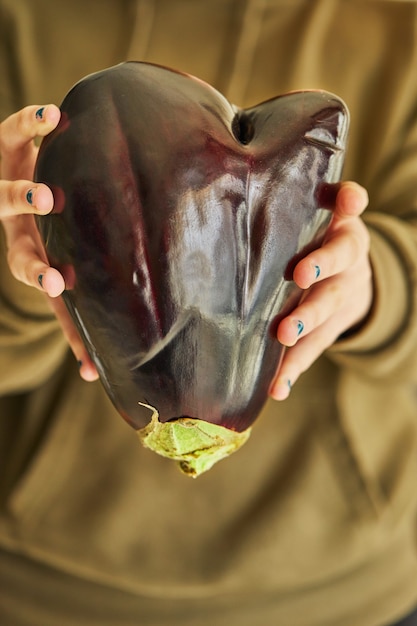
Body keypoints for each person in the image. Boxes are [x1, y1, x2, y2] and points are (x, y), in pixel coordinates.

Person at [1, 1, 417, 625]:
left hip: (343, 596)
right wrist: (26, 275)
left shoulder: (399, 26)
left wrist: (375, 288)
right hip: (45, 592)